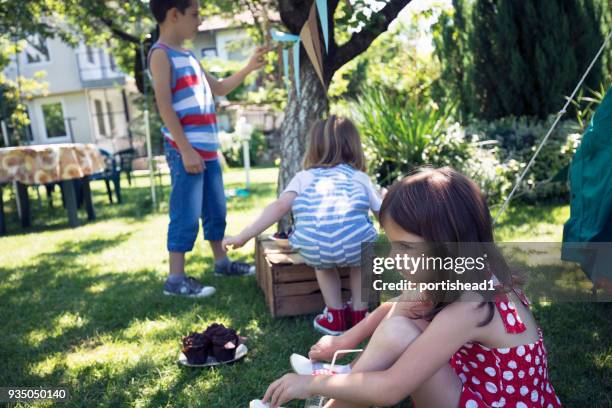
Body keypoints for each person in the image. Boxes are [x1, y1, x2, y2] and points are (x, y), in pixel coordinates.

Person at [260, 168, 563, 408]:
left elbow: (391, 389)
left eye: (405, 246)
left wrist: (310, 385)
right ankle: (346, 374)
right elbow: (393, 306)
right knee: (404, 316)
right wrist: (344, 340)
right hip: (474, 387)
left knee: (401, 332)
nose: (394, 258)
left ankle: (339, 381)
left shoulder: (469, 305)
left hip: (494, 402)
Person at [148, 0, 269, 297]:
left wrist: (249, 67)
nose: (199, 21)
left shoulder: (189, 55)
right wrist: (186, 149)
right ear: (174, 15)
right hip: (185, 150)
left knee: (216, 209)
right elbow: (164, 106)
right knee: (185, 213)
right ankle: (175, 279)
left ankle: (221, 261)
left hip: (207, 151)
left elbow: (220, 88)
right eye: (195, 15)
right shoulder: (161, 55)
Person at [224, 116, 382, 334]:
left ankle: (335, 316)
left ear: (314, 148)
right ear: (353, 146)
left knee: (323, 264)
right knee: (362, 259)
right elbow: (382, 212)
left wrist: (243, 236)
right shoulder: (360, 178)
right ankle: (359, 314)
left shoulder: (303, 177)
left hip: (315, 247)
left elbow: (279, 207)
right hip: (356, 245)